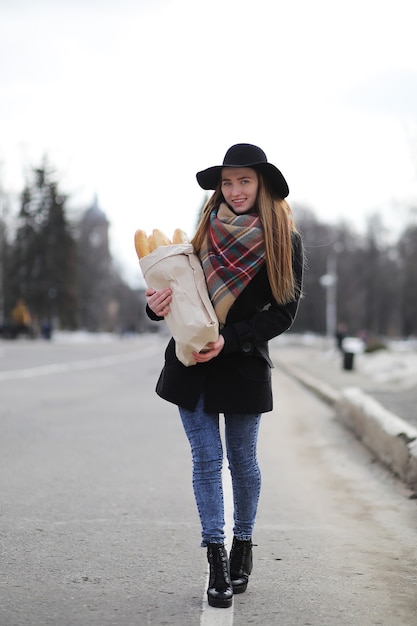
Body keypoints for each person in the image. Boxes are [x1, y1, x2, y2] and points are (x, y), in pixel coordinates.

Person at [145, 143, 304, 609]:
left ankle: (243, 545)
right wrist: (154, 307)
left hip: (242, 365)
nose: (234, 190)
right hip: (191, 363)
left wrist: (230, 341)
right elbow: (176, 291)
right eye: (227, 182)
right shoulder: (200, 235)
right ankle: (215, 560)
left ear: (262, 185)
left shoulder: (283, 240)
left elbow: (284, 313)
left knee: (242, 461)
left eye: (244, 181)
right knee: (207, 459)